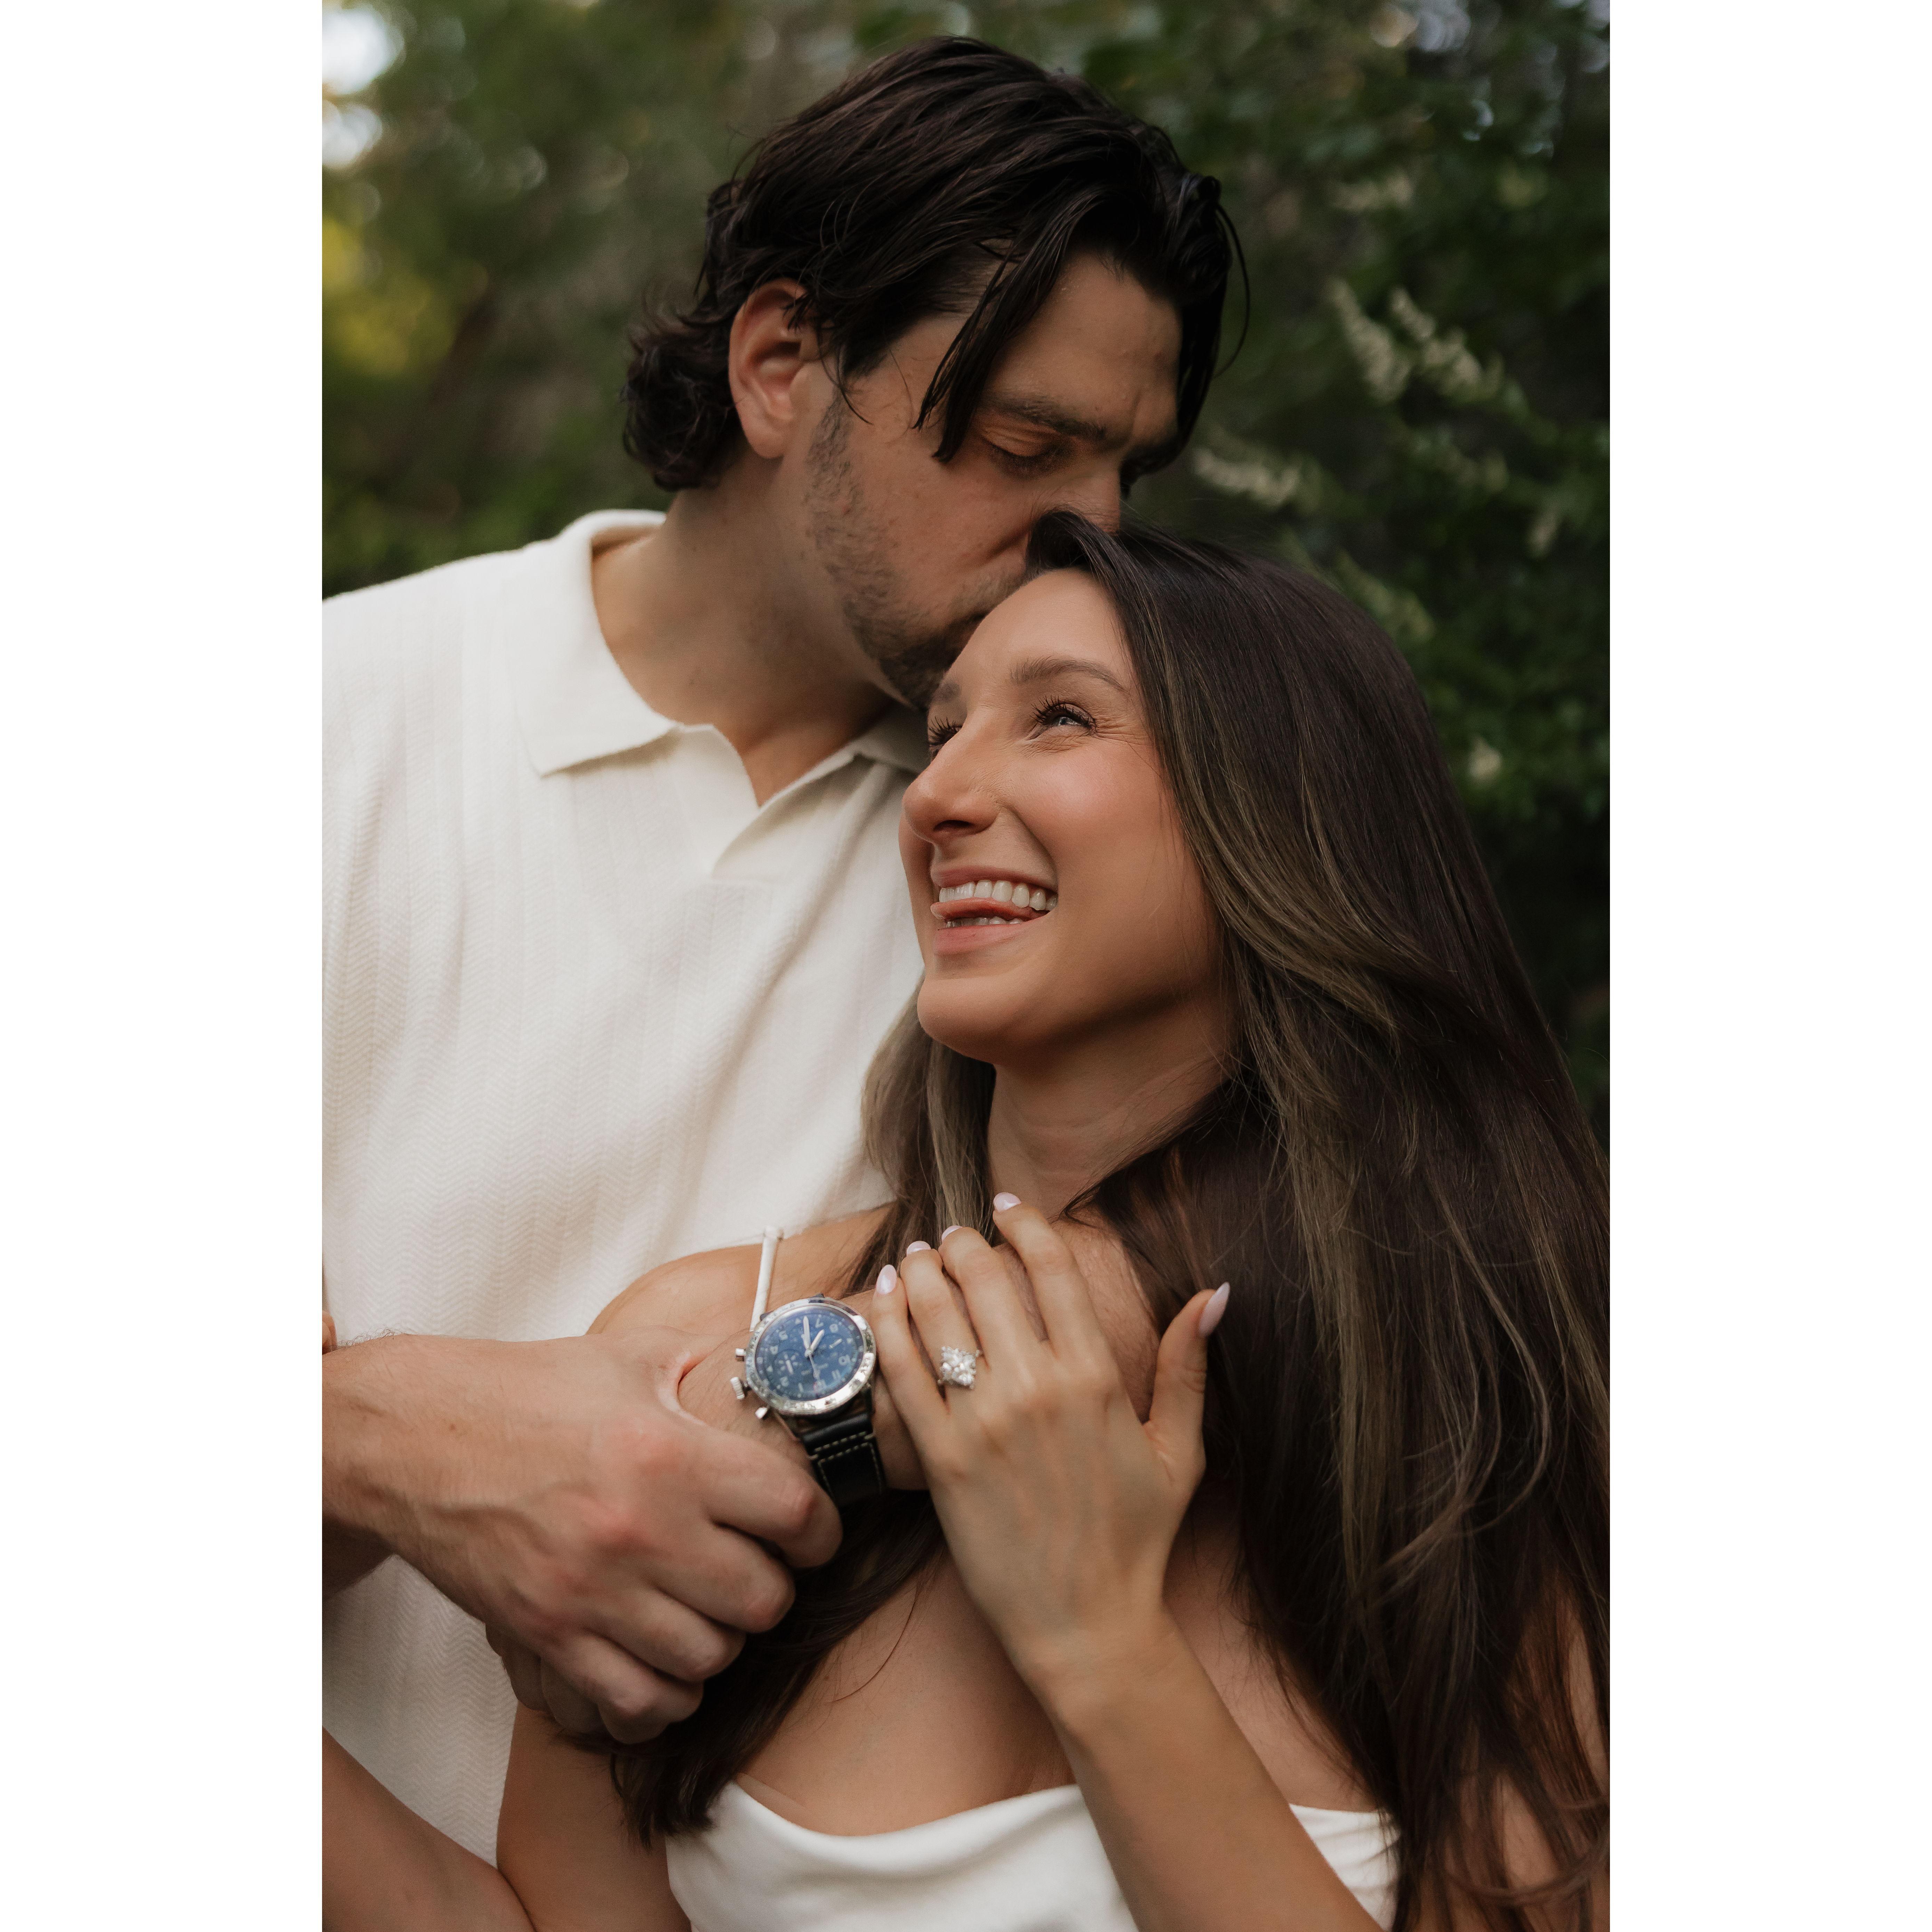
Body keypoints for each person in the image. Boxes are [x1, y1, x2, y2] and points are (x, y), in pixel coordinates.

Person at [323, 514, 1609, 1931]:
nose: (936, 791)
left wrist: (1098, 1643)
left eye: (1060, 718)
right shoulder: (691, 1349)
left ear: (1286, 810)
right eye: (938, 734)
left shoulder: (1476, 1395)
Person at [322, 37, 1237, 1857]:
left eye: (1126, 468)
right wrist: (382, 1438)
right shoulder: (315, 724)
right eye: (1023, 444)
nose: (1091, 528)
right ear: (778, 366)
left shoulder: (1074, 881)